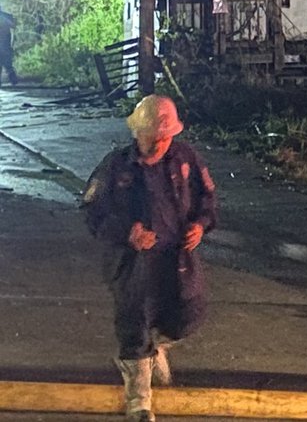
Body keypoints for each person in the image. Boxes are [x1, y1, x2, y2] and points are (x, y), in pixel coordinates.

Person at [82, 95, 217, 422]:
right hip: (132, 264)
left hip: (177, 260)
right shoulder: (116, 166)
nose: (159, 143)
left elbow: (208, 200)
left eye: (165, 137)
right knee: (135, 323)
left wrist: (200, 226)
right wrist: (127, 233)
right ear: (137, 133)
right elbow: (93, 210)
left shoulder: (186, 160)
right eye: (153, 137)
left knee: (187, 314)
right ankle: (138, 400)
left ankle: (154, 350)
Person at [0, 4, 17, 86]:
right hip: (5, 45)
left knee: (8, 65)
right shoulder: (5, 18)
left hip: (4, 45)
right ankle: (13, 80)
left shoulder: (4, 18)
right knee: (8, 65)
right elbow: (13, 26)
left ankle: (13, 80)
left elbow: (13, 26)